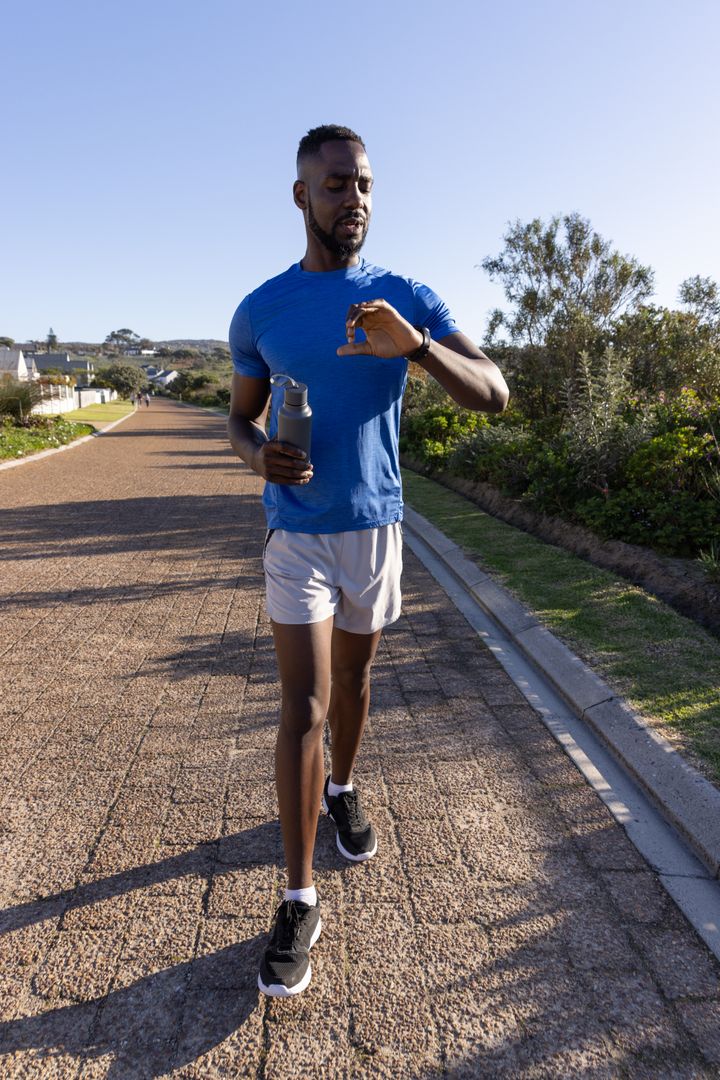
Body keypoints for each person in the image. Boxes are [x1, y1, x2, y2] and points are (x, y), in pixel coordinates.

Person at [227, 124, 509, 997]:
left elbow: (494, 393)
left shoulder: (405, 296)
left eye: (365, 185)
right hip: (297, 531)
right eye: (338, 184)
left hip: (376, 528)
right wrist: (257, 457)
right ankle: (298, 898)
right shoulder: (261, 309)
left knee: (354, 684)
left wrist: (415, 347)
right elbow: (238, 417)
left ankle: (342, 788)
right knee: (304, 704)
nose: (355, 200)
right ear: (301, 195)